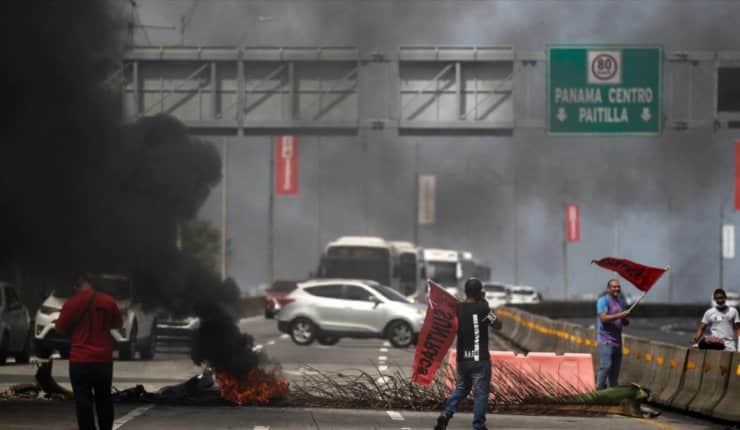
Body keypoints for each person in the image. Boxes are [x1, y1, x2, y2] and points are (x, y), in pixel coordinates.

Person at [55, 273, 123, 430]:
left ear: (80, 284)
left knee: (83, 401)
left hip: (80, 359)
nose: (74, 289)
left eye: (75, 286)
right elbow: (118, 323)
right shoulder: (108, 301)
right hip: (103, 359)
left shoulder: (72, 303)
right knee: (104, 398)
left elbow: (59, 328)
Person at [434, 278, 502, 430]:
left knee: (462, 388)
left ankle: (446, 414)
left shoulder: (457, 308)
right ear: (479, 292)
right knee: (481, 393)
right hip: (479, 359)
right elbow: (498, 325)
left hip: (462, 360)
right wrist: (485, 304)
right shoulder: (483, 308)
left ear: (465, 291)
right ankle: (478, 426)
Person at [595, 278, 631, 389]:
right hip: (606, 340)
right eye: (614, 287)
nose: (617, 289)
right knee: (606, 367)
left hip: (618, 342)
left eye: (618, 287)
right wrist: (621, 315)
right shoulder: (603, 301)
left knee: (614, 374)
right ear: (608, 289)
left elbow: (625, 323)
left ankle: (611, 395)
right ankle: (597, 391)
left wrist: (625, 318)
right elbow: (603, 319)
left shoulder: (621, 302)